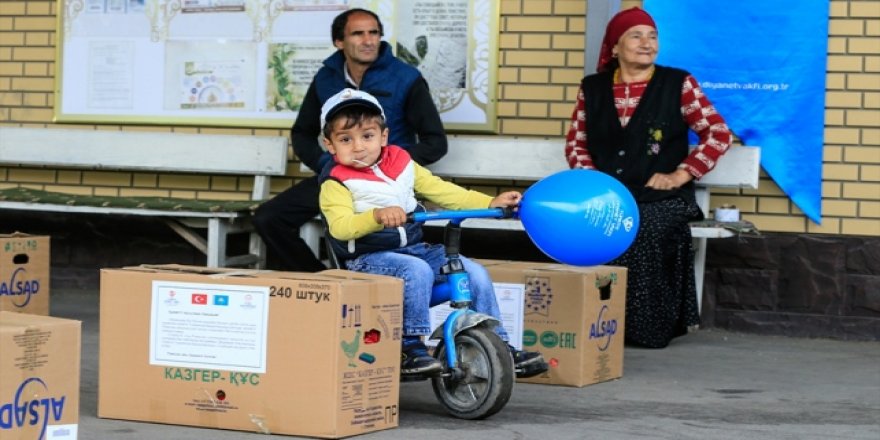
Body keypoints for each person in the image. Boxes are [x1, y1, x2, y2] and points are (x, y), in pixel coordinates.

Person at [318, 88, 548, 378]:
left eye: (367, 136)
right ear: (330, 145)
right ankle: (409, 347)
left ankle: (500, 346)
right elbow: (341, 226)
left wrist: (489, 202)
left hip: (414, 250)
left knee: (471, 272)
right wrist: (376, 216)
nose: (359, 146)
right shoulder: (336, 181)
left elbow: (443, 191)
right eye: (345, 139)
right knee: (417, 271)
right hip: (367, 259)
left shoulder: (402, 163)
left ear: (384, 136)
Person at [564, 7, 733, 348]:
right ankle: (594, 324)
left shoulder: (678, 83)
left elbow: (718, 133)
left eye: (652, 36)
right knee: (586, 227)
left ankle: (646, 329)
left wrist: (681, 174)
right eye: (636, 36)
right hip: (609, 195)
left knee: (645, 227)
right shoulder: (593, 88)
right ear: (614, 46)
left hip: (663, 198)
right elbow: (576, 143)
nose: (647, 44)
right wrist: (594, 181)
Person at [253, 8, 448, 272]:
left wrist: (393, 166)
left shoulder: (406, 77)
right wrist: (326, 164)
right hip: (340, 177)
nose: (368, 40)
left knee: (363, 233)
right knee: (269, 218)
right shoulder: (326, 77)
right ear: (339, 42)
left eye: (374, 33)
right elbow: (302, 132)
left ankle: (366, 279)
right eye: (358, 33)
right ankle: (321, 280)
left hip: (389, 184)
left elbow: (435, 142)